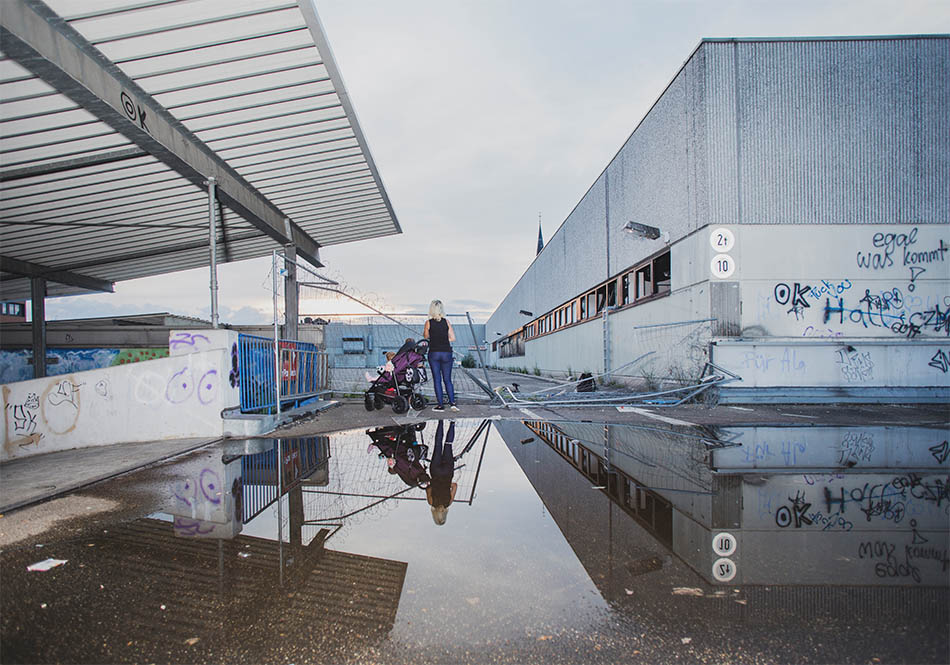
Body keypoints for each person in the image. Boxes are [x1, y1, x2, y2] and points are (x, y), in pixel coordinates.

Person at [423, 299, 458, 412]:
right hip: (447, 352)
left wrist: (434, 338)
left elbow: (426, 336)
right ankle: (452, 403)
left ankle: (440, 405)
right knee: (447, 379)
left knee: (437, 379)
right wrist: (443, 339)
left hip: (434, 353)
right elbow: (453, 338)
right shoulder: (446, 322)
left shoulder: (428, 322)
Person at [426, 420, 457, 525]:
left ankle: (452, 423)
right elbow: (429, 488)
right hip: (435, 471)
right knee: (438, 445)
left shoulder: (449, 503)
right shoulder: (431, 502)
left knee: (448, 445)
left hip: (447, 472)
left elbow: (454, 486)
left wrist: (448, 484)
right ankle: (440, 422)